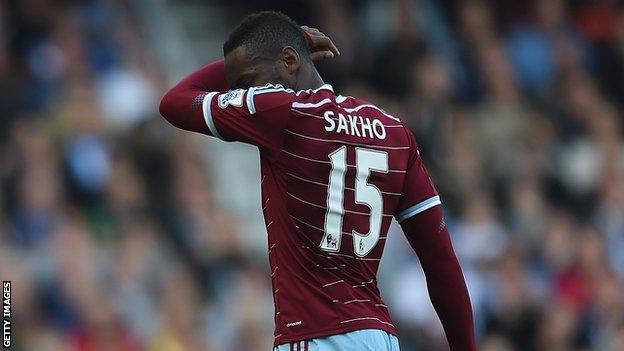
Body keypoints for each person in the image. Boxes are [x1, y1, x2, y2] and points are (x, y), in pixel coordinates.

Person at [159, 11, 476, 351]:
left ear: (290, 61)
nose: (239, 94)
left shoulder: (279, 110)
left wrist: (301, 40)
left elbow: (174, 102)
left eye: (246, 81)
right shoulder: (395, 133)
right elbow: (441, 263)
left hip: (314, 335)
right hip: (379, 337)